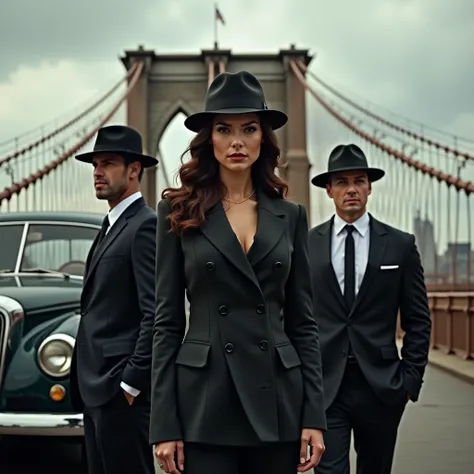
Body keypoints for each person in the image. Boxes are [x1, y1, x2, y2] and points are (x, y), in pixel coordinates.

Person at [150, 71, 326, 474]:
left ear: (263, 137)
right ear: (208, 138)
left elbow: (304, 324)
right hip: (206, 400)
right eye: (224, 129)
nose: (236, 141)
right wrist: (163, 423)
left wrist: (314, 415)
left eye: (249, 128)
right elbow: (166, 322)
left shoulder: (291, 215)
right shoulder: (176, 213)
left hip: (279, 400)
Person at [308, 144, 432, 474]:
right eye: (343, 182)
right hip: (325, 385)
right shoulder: (306, 245)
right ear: (329, 189)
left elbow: (418, 318)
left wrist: (409, 379)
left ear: (369, 188)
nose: (352, 189)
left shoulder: (400, 245)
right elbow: (293, 317)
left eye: (359, 181)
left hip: (381, 387)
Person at [70, 125, 157, 474]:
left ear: (134, 169)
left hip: (118, 391)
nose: (97, 172)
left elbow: (157, 313)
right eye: (94, 165)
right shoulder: (111, 225)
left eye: (107, 163)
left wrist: (131, 382)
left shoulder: (145, 226)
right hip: (97, 389)